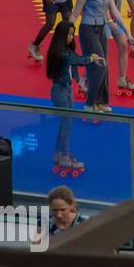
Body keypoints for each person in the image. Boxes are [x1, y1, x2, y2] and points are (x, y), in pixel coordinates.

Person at [68, 0, 127, 114]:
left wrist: (126, 31)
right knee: (100, 66)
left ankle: (101, 102)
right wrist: (66, 31)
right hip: (88, 30)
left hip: (101, 29)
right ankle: (89, 103)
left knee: (104, 67)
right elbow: (75, 13)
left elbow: (113, 10)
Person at [46, 22, 101, 172]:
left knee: (65, 123)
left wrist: (79, 82)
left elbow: (73, 67)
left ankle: (58, 155)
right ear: (61, 35)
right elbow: (77, 61)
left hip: (66, 89)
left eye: (72, 34)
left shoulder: (65, 51)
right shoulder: (62, 53)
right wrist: (91, 58)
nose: (71, 37)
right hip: (60, 91)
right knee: (67, 124)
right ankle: (64, 156)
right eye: (68, 34)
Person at [104, 0, 134, 96]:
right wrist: (110, 21)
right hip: (102, 19)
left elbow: (119, 3)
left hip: (115, 18)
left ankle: (122, 79)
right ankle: (87, 80)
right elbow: (104, 5)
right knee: (100, 54)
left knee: (123, 45)